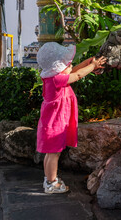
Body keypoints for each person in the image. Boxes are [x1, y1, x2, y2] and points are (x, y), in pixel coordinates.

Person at [36, 42, 106, 194]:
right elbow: (77, 75)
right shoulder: (56, 80)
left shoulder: (55, 77)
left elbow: (73, 71)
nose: (71, 65)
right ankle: (51, 182)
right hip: (54, 125)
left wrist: (87, 63)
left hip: (53, 124)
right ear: (57, 68)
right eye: (67, 64)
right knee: (53, 154)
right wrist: (92, 67)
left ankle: (49, 178)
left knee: (52, 154)